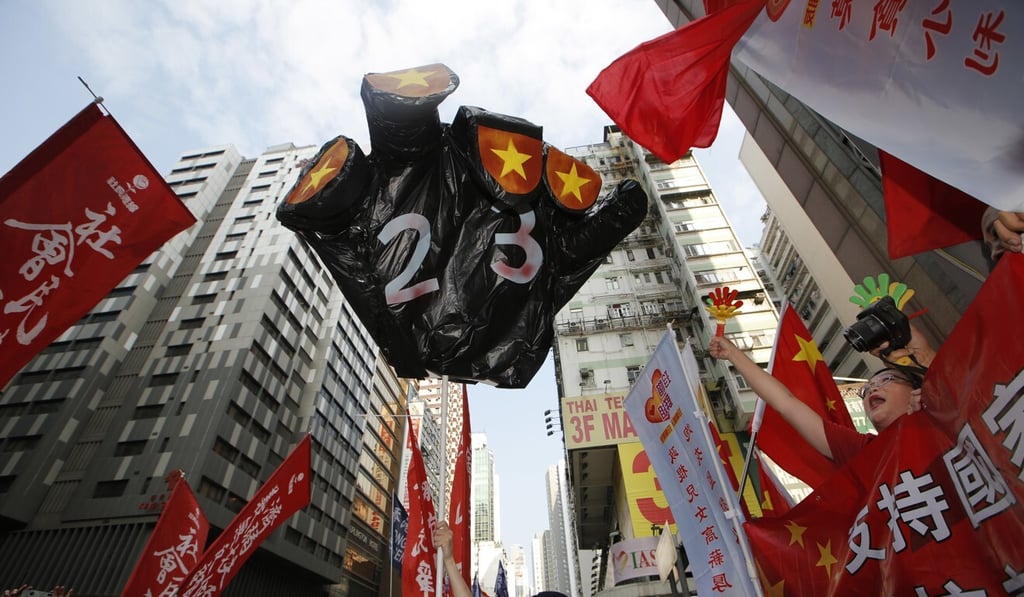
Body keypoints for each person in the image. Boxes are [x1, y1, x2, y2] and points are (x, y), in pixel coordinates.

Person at [709, 324, 935, 467]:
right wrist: (733, 355)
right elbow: (785, 403)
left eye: (886, 380)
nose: (873, 390)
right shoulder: (862, 451)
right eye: (866, 389)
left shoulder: (945, 415)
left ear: (915, 388)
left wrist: (925, 360)